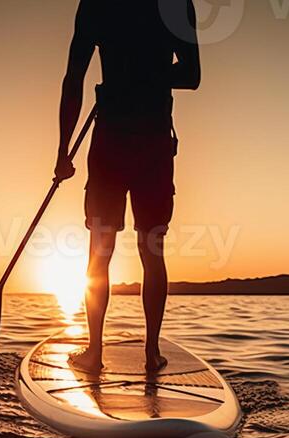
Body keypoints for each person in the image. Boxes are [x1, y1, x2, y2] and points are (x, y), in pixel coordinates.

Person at [55, 0, 201, 375]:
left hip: (119, 141)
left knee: (103, 248)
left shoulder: (98, 6)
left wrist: (63, 150)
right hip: (148, 140)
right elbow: (190, 73)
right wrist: (151, 73)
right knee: (149, 247)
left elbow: (74, 79)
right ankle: (147, 353)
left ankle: (98, 352)